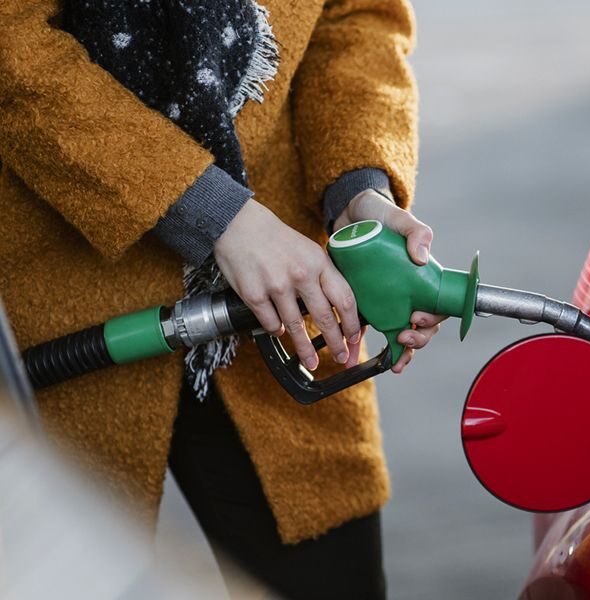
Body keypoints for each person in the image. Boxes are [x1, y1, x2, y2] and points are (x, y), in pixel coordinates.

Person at [0, 0, 438, 597]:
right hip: (60, 285)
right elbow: (12, 49)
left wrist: (360, 186)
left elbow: (356, 17)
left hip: (284, 290)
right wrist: (217, 217)